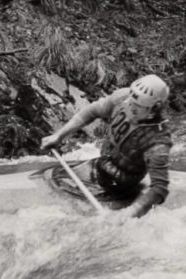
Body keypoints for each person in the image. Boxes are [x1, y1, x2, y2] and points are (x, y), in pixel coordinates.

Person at [41, 74, 172, 218]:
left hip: (121, 184)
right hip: (100, 165)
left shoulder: (158, 141)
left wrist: (126, 215)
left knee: (58, 185)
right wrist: (59, 135)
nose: (130, 107)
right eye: (131, 101)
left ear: (154, 109)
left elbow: (159, 189)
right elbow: (92, 111)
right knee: (51, 176)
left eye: (137, 108)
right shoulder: (124, 97)